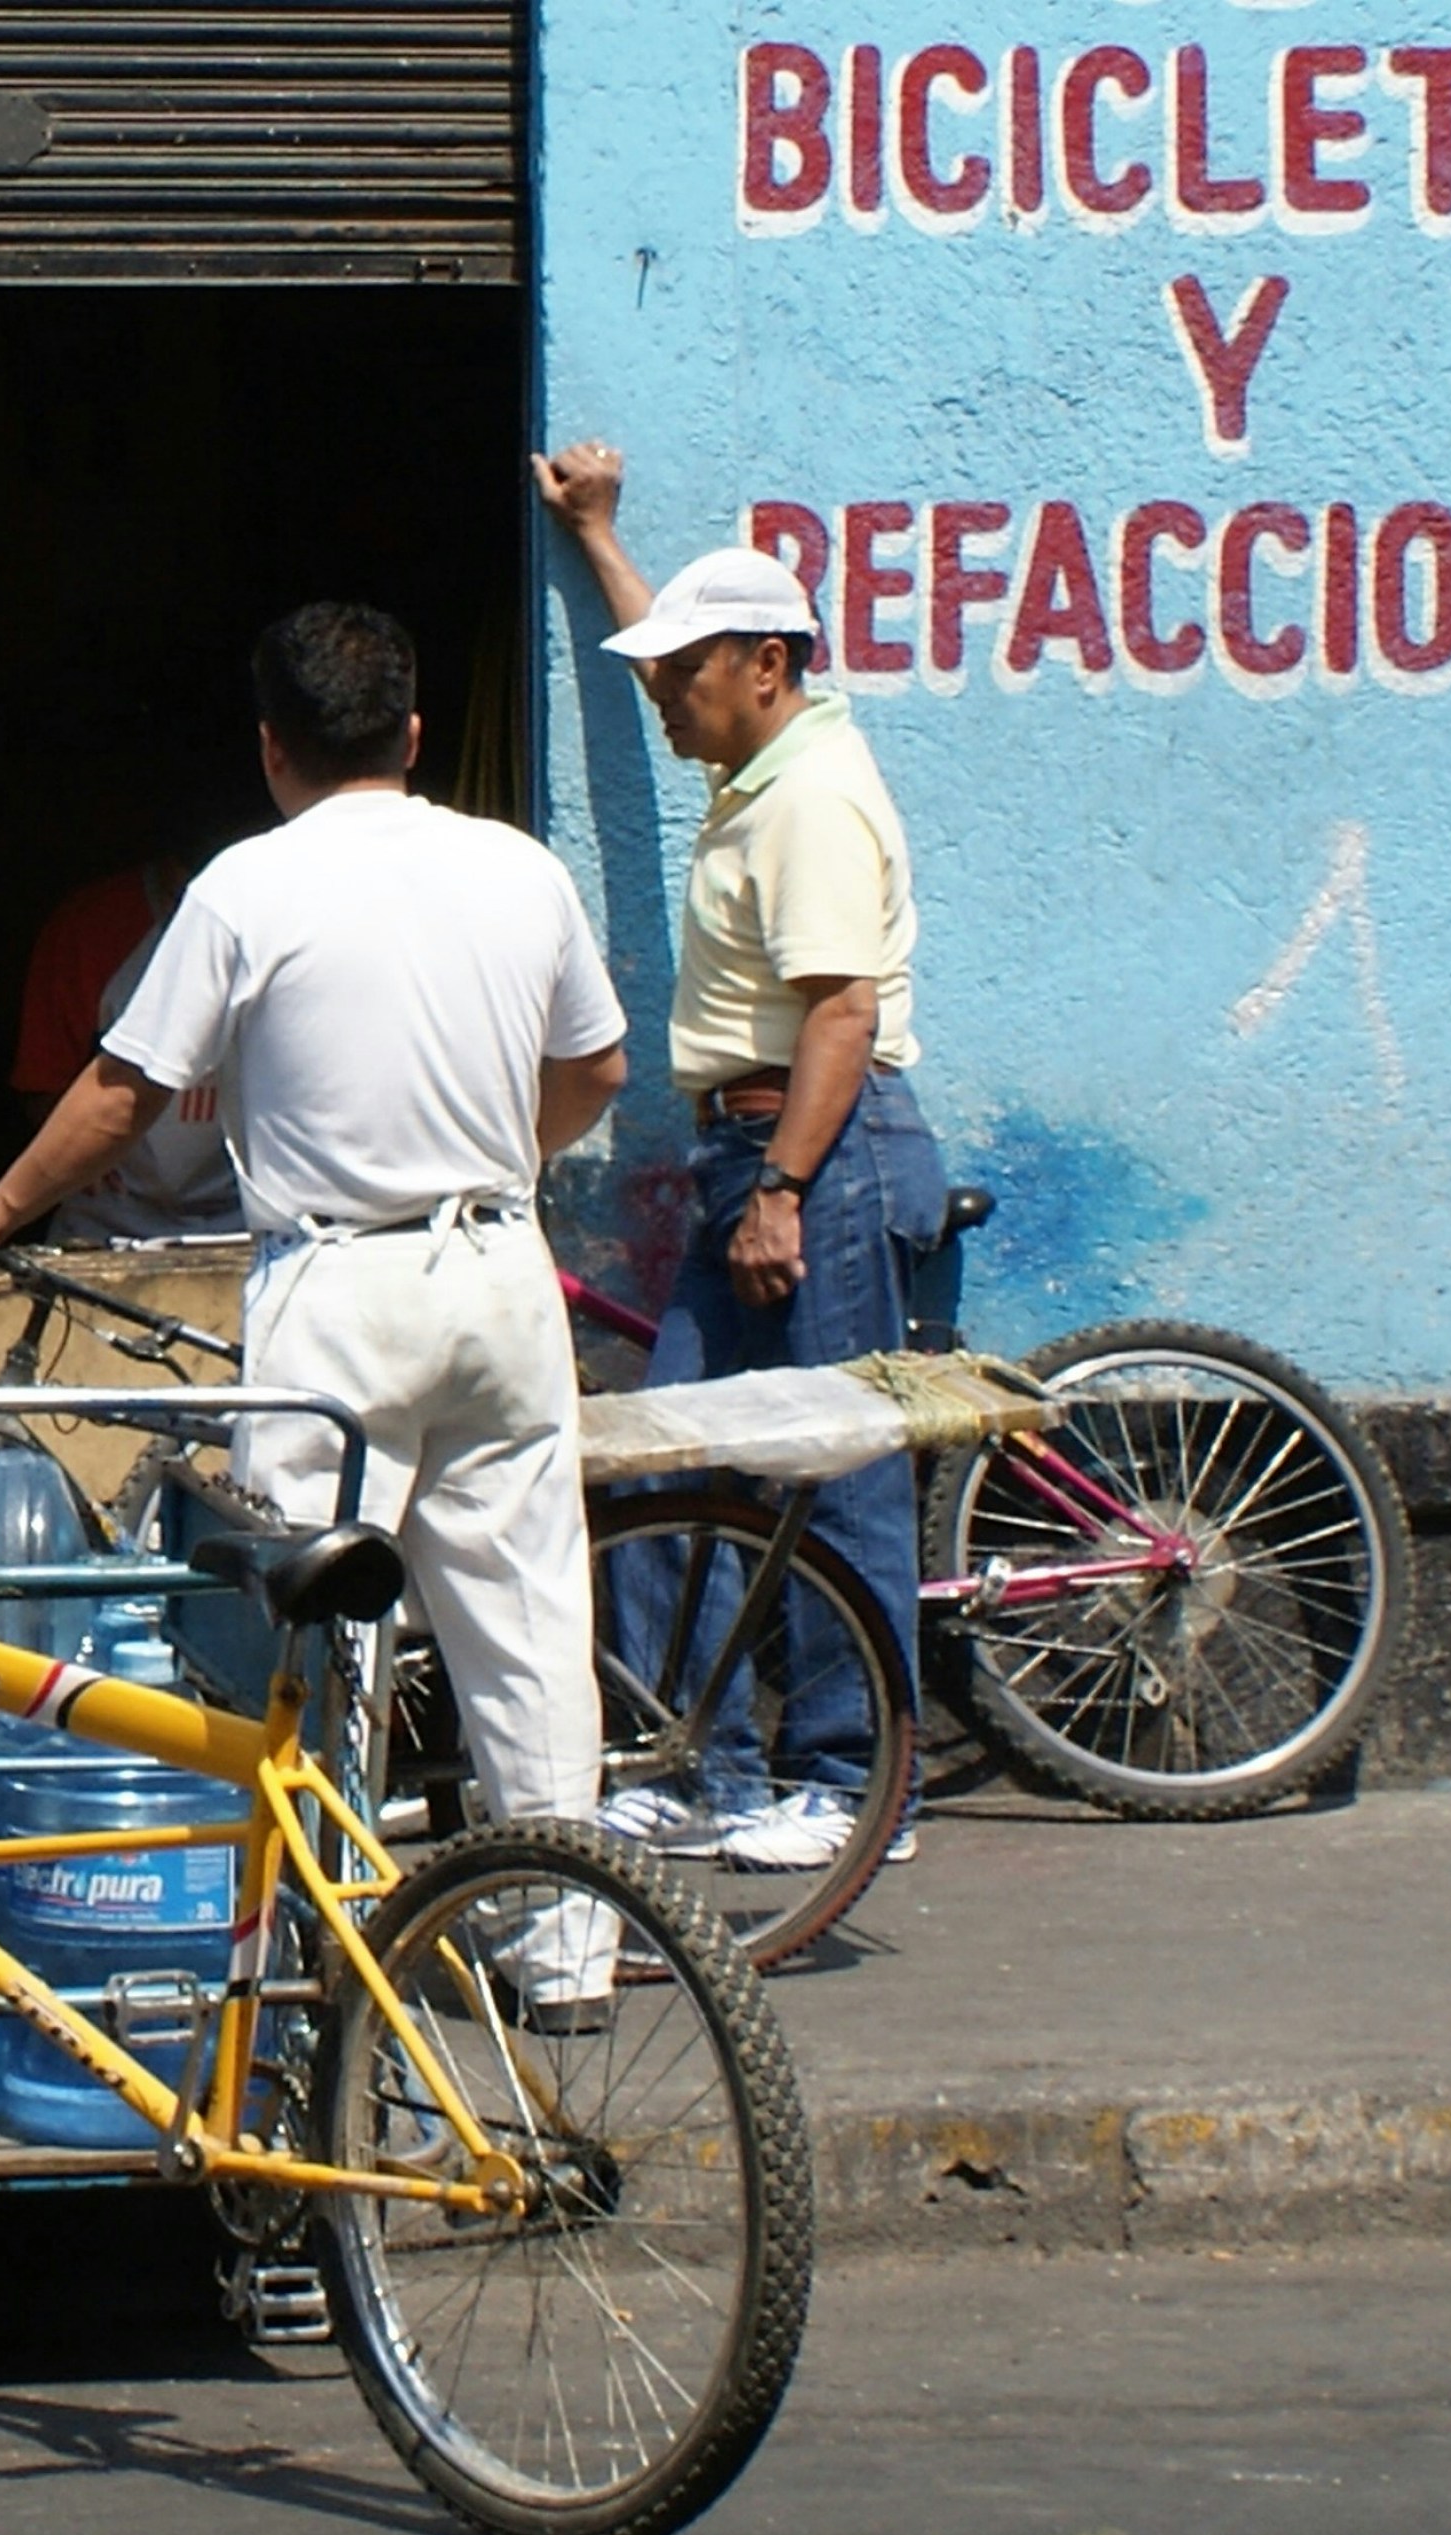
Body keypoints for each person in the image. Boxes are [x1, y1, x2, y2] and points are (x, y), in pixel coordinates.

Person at [0, 604, 631, 1969]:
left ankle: (320, 1944)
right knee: (526, 1623)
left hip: (339, 1292)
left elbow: (126, 1091)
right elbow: (596, 1070)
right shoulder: (521, 871)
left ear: (272, 749)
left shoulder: (250, 886)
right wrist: (486, 1164)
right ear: (411, 734)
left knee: (309, 1638)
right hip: (496, 1270)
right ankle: (568, 1955)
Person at [537, 439, 948, 1877]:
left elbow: (841, 1008)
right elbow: (678, 640)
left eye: (682, 676)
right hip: (753, 1159)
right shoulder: (762, 763)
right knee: (666, 1460)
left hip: (814, 1156)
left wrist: (779, 1187)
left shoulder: (814, 797)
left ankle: (856, 1782)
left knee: (834, 1473)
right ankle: (690, 1759)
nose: (660, 696)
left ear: (765, 665)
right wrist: (601, 540)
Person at [3, 820, 245, 1245]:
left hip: (248, 1219)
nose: (196, 919)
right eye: (183, 899)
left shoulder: (277, 926)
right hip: (110, 1220)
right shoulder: (93, 926)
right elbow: (44, 1082)